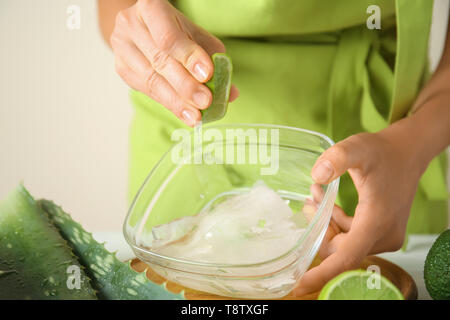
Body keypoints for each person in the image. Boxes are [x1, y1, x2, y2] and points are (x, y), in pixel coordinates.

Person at [98, 0, 450, 295]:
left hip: (385, 138)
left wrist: (410, 148)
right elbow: (113, 9)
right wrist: (137, 28)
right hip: (187, 128)